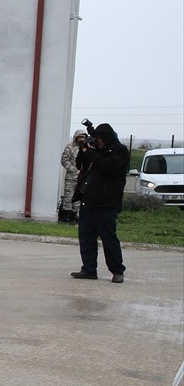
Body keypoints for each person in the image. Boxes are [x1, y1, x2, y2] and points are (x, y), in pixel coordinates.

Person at [71, 121, 128, 284]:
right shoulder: (95, 152)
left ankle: (117, 271)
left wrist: (90, 152)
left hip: (106, 203)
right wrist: (84, 150)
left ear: (106, 138)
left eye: (99, 139)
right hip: (88, 201)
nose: (97, 142)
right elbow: (80, 164)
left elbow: (108, 166)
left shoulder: (120, 151)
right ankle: (89, 269)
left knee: (108, 239)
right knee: (86, 237)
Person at [58, 130, 87, 222]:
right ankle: (66, 215)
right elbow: (64, 160)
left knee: (78, 197)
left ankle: (74, 214)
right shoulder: (70, 147)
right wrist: (73, 170)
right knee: (68, 196)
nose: (81, 139)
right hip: (71, 177)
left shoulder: (86, 148)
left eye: (83, 137)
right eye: (80, 137)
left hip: (81, 178)